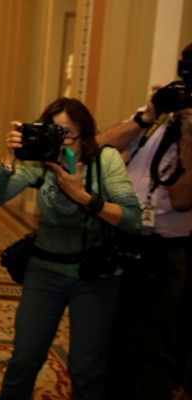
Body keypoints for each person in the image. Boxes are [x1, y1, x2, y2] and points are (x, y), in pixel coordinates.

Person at [0, 97, 141, 399]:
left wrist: (83, 197)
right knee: (24, 360)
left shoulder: (104, 161)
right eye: (53, 131)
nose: (60, 140)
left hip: (94, 276)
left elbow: (132, 219)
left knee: (85, 368)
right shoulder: (38, 161)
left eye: (67, 134)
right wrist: (10, 159)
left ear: (85, 134)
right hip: (44, 273)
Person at [98, 43, 192, 400]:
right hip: (124, 238)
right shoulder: (161, 110)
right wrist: (147, 115)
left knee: (157, 343)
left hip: (165, 251)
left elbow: (183, 199)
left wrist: (187, 132)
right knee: (115, 336)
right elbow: (101, 146)